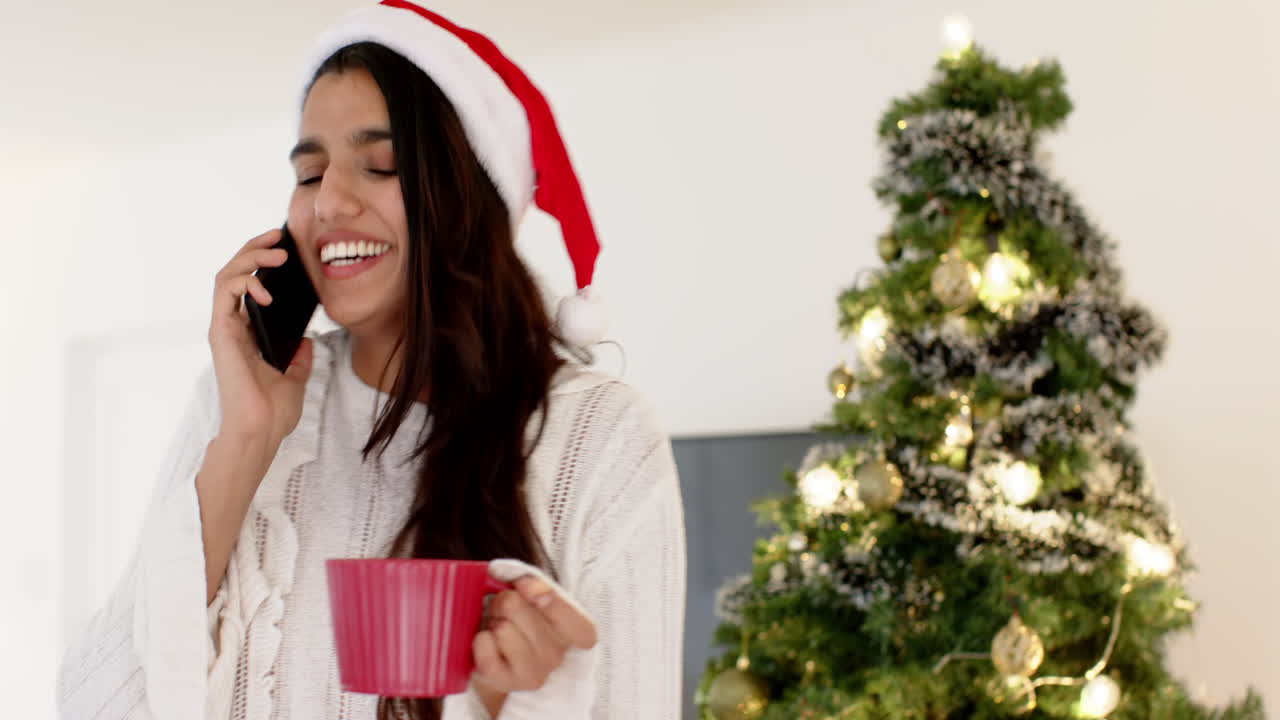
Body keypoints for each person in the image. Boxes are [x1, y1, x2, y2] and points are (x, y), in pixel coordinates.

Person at [55, 2, 686, 719]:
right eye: (310, 172)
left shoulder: (600, 439)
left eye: (380, 165)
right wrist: (245, 441)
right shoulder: (240, 403)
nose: (330, 202)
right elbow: (89, 707)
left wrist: (514, 699)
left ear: (467, 198)